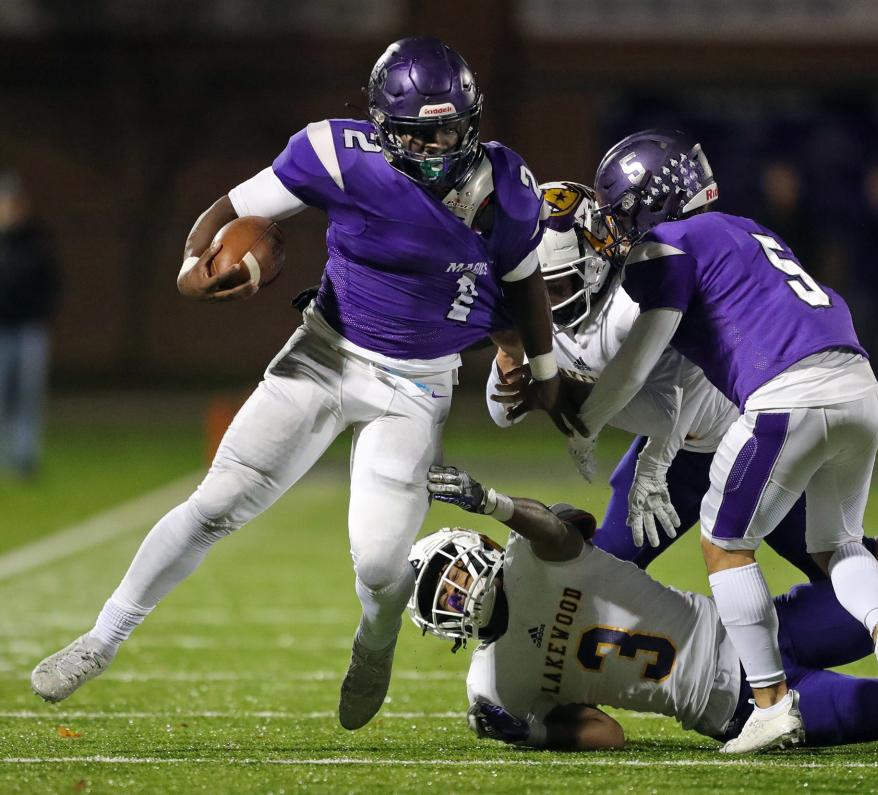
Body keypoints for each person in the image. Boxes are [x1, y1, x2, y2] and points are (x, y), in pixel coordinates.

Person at [30, 37, 581, 730]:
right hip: (322, 355)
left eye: (450, 129)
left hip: (414, 385)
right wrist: (190, 270)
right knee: (216, 502)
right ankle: (101, 637)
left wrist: (546, 371)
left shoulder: (504, 189)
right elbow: (223, 213)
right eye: (419, 133)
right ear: (384, 128)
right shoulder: (335, 154)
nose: (439, 146)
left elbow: (525, 287)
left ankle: (374, 645)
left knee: (381, 565)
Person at [549, 129, 878, 753]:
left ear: (648, 202)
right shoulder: (744, 227)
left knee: (724, 545)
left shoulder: (667, 246)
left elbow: (639, 360)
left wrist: (586, 422)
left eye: (620, 207)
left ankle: (770, 703)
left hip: (785, 395)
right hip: (861, 383)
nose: (615, 223)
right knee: (838, 544)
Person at [490, 181, 878, 584]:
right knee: (600, 573)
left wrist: (647, 458)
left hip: (742, 439)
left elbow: (685, 387)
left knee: (838, 560)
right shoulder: (540, 319)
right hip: (694, 444)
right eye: (528, 288)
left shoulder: (633, 298)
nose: (541, 303)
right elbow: (500, 411)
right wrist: (512, 349)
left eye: (551, 287)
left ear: (594, 262)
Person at [415, 464, 878, 752]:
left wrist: (491, 501)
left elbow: (553, 529)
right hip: (739, 708)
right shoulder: (493, 686)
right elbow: (609, 734)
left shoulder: (536, 557)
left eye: (452, 571)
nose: (456, 591)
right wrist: (530, 735)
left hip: (763, 625)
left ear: (480, 544)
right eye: (442, 594)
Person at [0, 172, 59, 478]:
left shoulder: (35, 240)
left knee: (27, 397)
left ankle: (24, 459)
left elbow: (51, 282)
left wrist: (42, 311)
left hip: (29, 329)